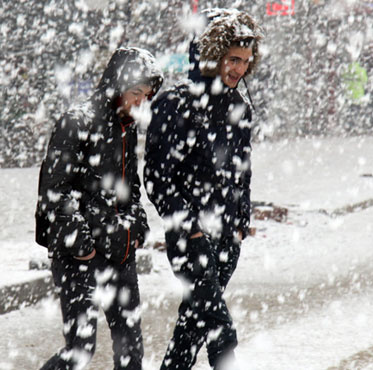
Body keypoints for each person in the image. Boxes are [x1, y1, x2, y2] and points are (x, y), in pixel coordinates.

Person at [144, 9, 263, 370]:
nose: (239, 69)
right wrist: (189, 225)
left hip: (227, 236)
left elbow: (241, 172)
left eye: (245, 61)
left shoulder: (239, 108)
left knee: (193, 325)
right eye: (232, 59)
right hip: (189, 235)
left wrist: (241, 221)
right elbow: (156, 177)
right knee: (216, 323)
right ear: (212, 55)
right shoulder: (173, 104)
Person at [35, 47, 163, 370]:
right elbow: (54, 194)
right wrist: (83, 249)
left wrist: (137, 229)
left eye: (146, 96)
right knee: (80, 349)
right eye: (136, 93)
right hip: (81, 259)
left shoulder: (127, 130)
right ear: (117, 86)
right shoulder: (76, 122)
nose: (140, 103)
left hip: (120, 253)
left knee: (131, 350)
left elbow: (131, 192)